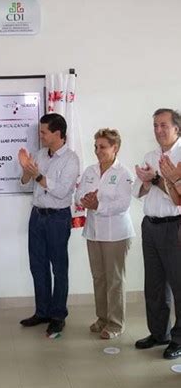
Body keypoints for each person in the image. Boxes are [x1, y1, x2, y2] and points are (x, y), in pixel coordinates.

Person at [18, 113, 79, 336]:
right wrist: (26, 172)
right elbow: (25, 185)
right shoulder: (40, 154)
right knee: (37, 266)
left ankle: (57, 315)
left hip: (57, 218)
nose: (40, 135)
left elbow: (62, 190)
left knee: (59, 268)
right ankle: (42, 311)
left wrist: (37, 176)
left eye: (44, 132)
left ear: (57, 133)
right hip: (37, 216)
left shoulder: (71, 159)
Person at [76, 129, 134, 339]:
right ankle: (102, 319)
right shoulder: (90, 171)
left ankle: (116, 324)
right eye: (96, 147)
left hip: (116, 234)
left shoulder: (123, 174)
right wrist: (84, 200)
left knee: (114, 279)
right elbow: (78, 195)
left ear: (115, 148)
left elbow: (122, 204)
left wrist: (98, 205)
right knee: (99, 278)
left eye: (102, 147)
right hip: (93, 232)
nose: (97, 151)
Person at [133, 108, 181, 359]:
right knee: (154, 284)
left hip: (175, 225)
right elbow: (139, 193)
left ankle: (179, 338)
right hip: (150, 225)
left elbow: (178, 200)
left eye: (163, 125)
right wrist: (144, 180)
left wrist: (155, 180)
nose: (158, 130)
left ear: (177, 128)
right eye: (155, 126)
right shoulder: (150, 155)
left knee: (179, 283)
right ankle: (158, 333)